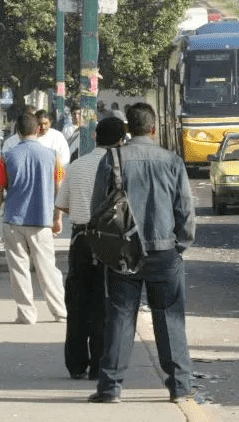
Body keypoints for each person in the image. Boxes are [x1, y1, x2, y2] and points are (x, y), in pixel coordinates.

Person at [89, 101, 197, 405]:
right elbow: (185, 210)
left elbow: (98, 208)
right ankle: (180, 387)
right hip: (164, 251)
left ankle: (110, 387)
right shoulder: (172, 161)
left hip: (124, 252)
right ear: (153, 128)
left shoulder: (113, 159)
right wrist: (180, 245)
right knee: (170, 318)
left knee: (121, 318)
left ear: (128, 130)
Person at [56, 116, 127, 381]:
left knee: (77, 301)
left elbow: (62, 204)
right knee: (105, 303)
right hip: (112, 240)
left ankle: (76, 364)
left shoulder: (77, 165)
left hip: (81, 240)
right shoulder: (123, 166)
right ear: (122, 139)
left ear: (96, 136)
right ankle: (100, 364)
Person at [0, 112, 68, 324]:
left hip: (14, 220)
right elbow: (59, 190)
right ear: (37, 130)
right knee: (48, 270)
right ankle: (60, 312)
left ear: (18, 132)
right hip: (42, 221)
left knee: (19, 269)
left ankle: (26, 314)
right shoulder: (54, 157)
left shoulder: (6, 157)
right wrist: (58, 218)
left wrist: (0, 212)